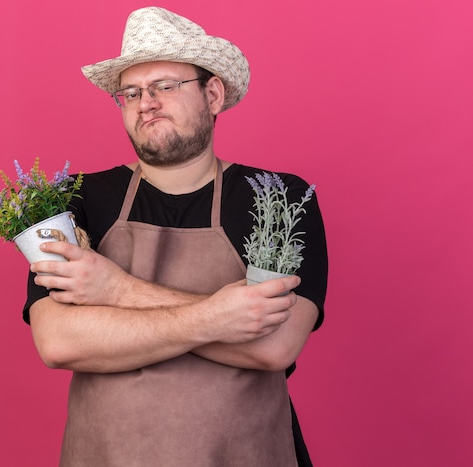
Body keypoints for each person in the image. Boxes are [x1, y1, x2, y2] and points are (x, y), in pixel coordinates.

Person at [23, 7, 327, 467]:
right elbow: (58, 341)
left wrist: (116, 291)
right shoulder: (75, 199)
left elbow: (273, 346)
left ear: (213, 94)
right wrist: (217, 316)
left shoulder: (280, 200)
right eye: (131, 92)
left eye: (165, 85)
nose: (146, 102)